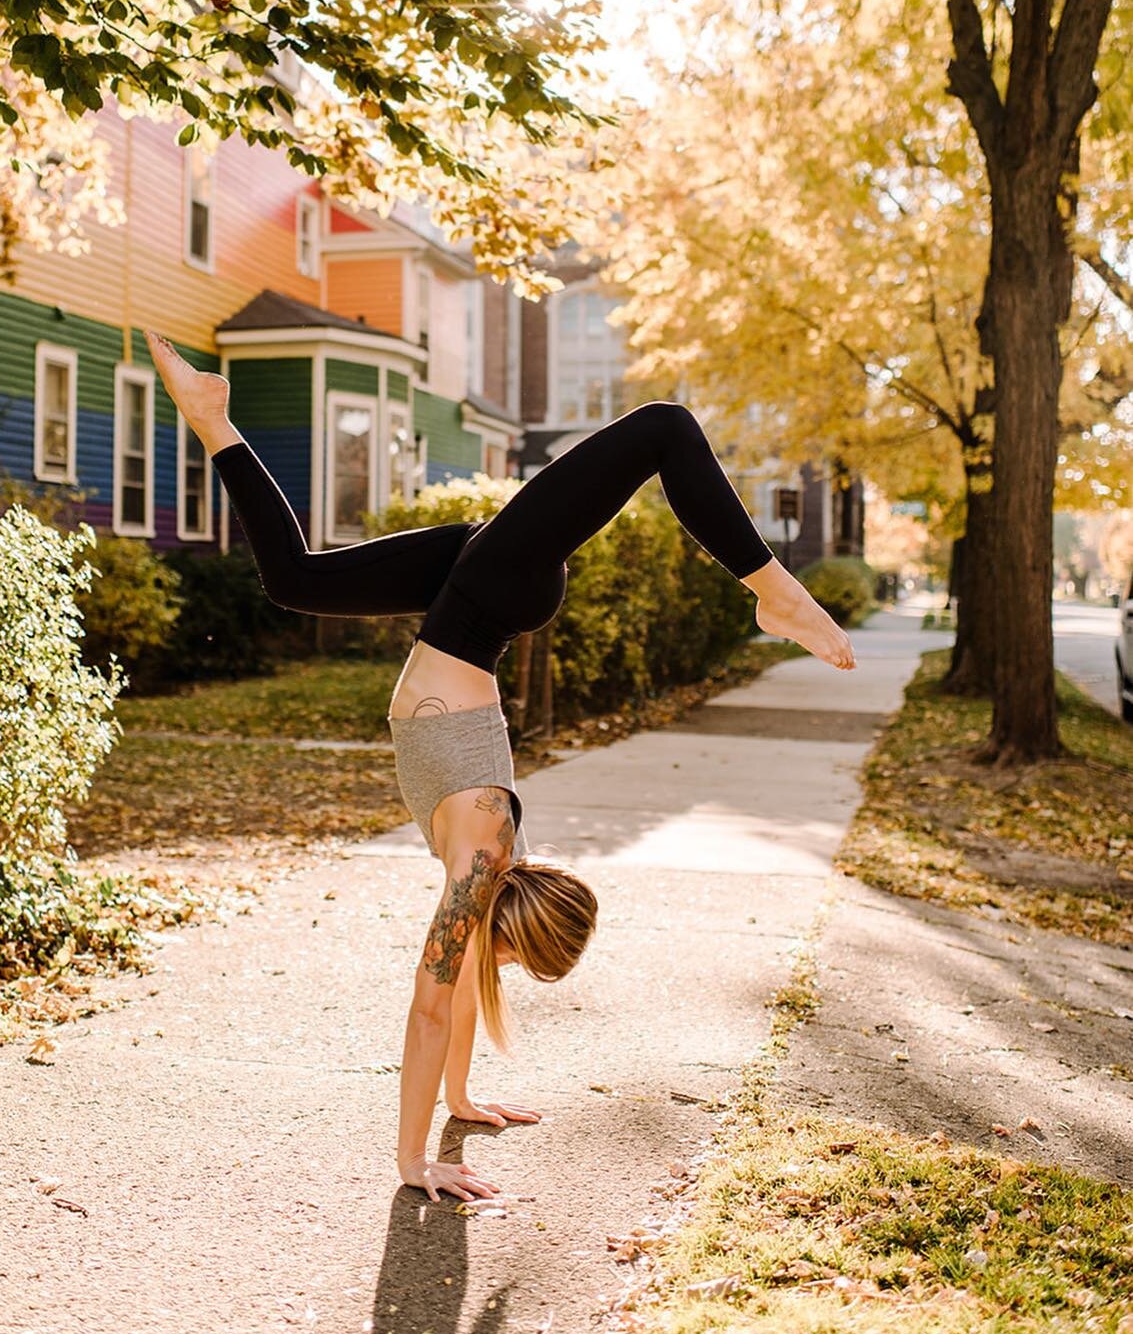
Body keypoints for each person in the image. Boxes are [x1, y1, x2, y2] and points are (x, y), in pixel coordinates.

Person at [144, 330, 856, 1204]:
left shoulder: (485, 875)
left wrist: (462, 1099)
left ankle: (214, 419)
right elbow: (433, 1007)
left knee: (295, 579)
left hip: (479, 594)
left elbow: (462, 993)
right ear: (514, 926)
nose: (499, 964)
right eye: (515, 958)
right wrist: (414, 1159)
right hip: (490, 596)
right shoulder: (480, 858)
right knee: (664, 426)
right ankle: (771, 589)